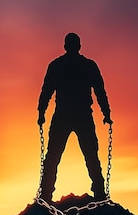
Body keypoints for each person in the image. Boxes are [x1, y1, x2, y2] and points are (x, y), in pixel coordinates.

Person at [37, 32, 113, 202]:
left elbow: (46, 91)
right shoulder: (89, 66)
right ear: (79, 46)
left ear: (65, 46)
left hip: (63, 115)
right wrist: (106, 113)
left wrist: (41, 113)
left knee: (53, 156)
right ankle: (99, 193)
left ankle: (45, 194)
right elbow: (100, 92)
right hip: (82, 115)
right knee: (90, 155)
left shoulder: (56, 65)